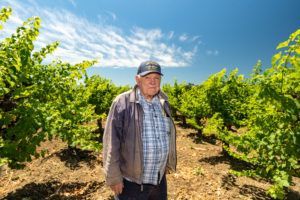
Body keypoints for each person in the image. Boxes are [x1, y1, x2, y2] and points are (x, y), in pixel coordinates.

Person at [103, 60, 177, 200]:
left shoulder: (163, 102)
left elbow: (166, 135)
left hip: (159, 181)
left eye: (156, 78)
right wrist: (113, 177)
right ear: (138, 79)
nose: (152, 82)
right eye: (147, 77)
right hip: (132, 184)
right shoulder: (123, 102)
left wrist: (166, 162)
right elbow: (111, 141)